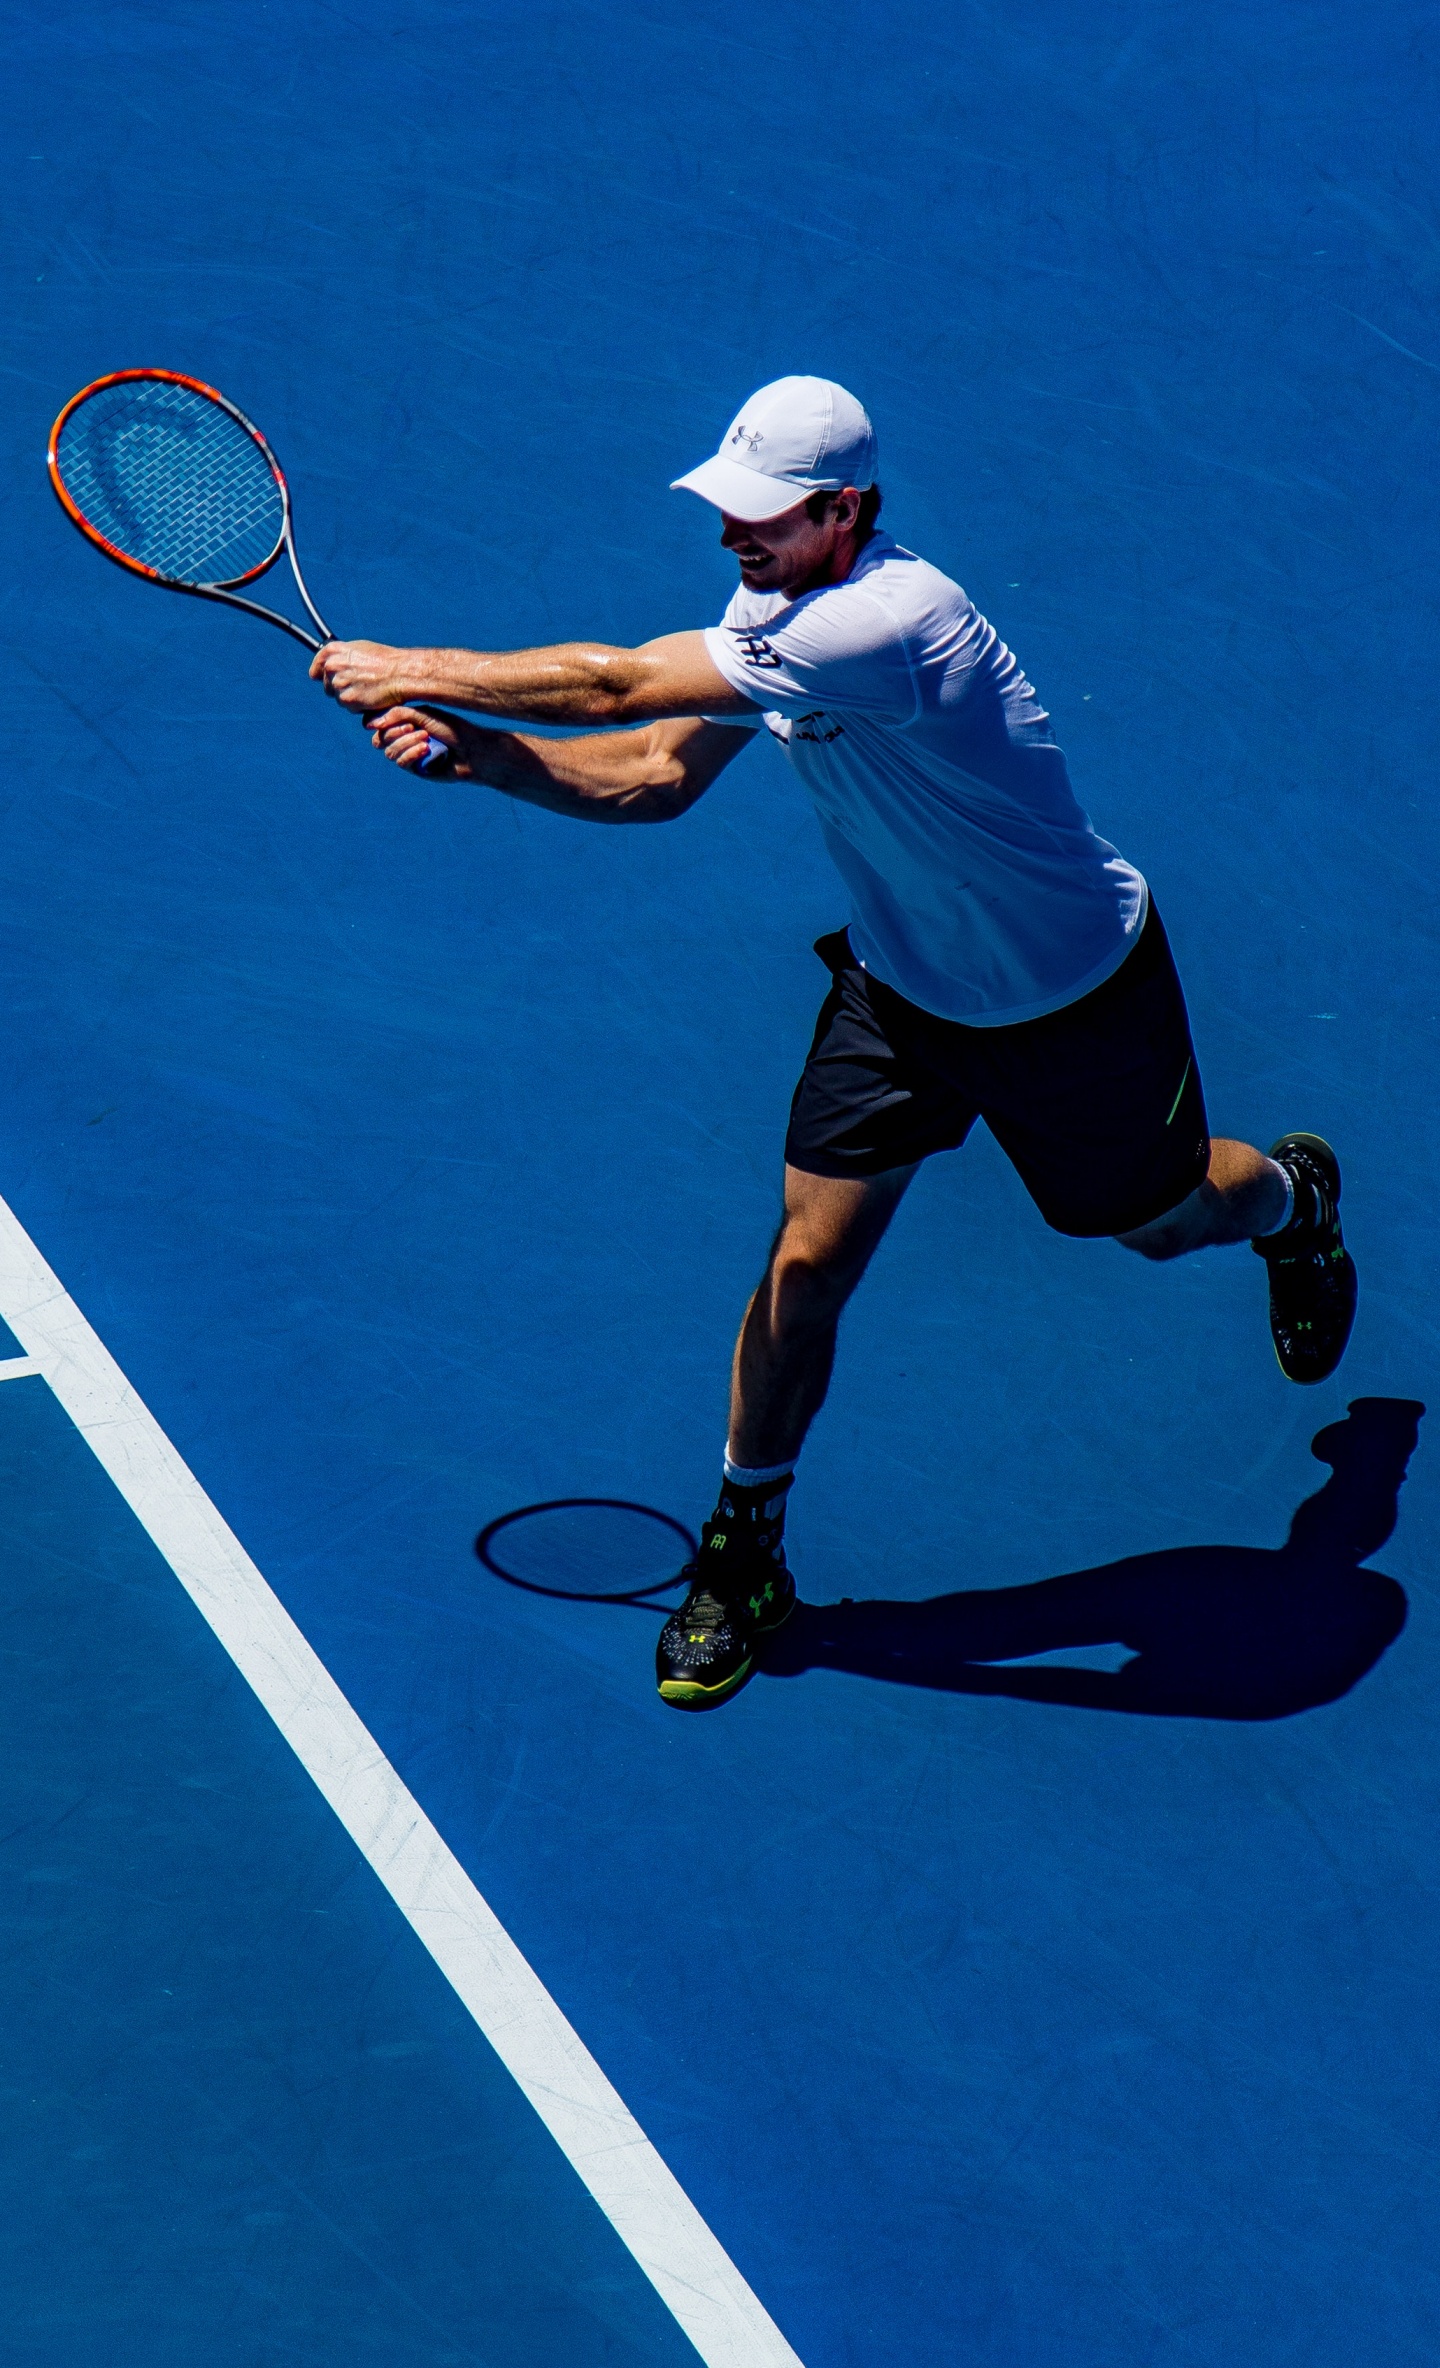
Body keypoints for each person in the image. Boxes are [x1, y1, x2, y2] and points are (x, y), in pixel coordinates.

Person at [311, 375, 1358, 1712]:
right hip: (899, 994)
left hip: (1074, 999)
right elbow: (654, 773)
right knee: (805, 1264)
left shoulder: (890, 621)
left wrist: (411, 666)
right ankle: (744, 1550)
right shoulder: (771, 612)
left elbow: (618, 683)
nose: (732, 535)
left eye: (763, 515)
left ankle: (1291, 1199)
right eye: (727, 509)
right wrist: (486, 758)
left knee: (1161, 1224)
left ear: (845, 510)